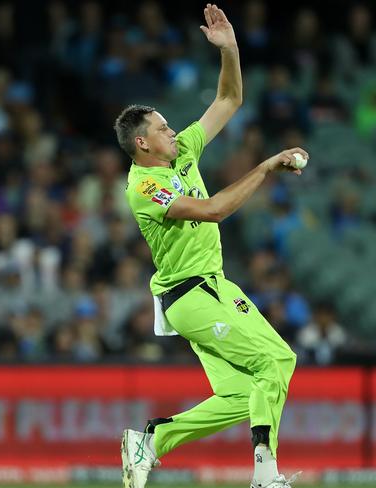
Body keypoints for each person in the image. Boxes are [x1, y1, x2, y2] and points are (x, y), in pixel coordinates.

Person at [115, 5, 306, 488]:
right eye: (162, 128)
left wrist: (230, 50)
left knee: (245, 393)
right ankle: (265, 472)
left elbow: (230, 98)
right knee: (277, 360)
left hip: (209, 287)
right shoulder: (144, 186)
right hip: (190, 292)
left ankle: (151, 444)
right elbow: (213, 210)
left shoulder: (184, 152)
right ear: (142, 143)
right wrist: (264, 169)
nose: (172, 130)